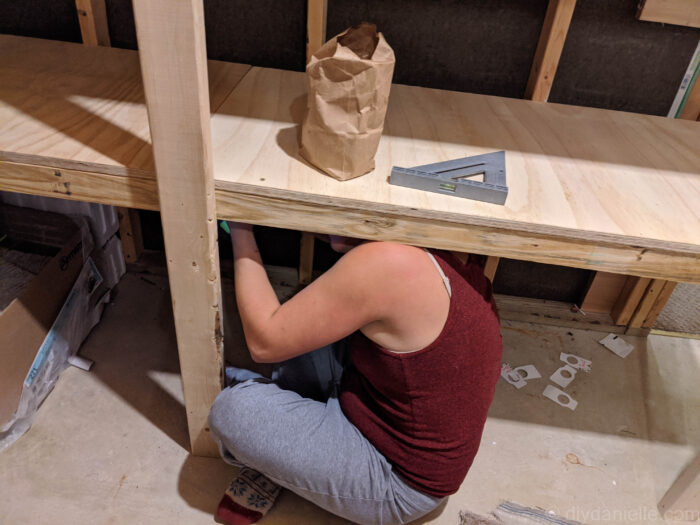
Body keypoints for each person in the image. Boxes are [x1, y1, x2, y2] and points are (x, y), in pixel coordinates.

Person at [208, 223, 503, 525]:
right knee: (308, 317)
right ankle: (288, 454)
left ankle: (277, 461)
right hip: (375, 394)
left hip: (396, 479)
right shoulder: (438, 241)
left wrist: (241, 229)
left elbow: (263, 342)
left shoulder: (386, 266)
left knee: (232, 412)